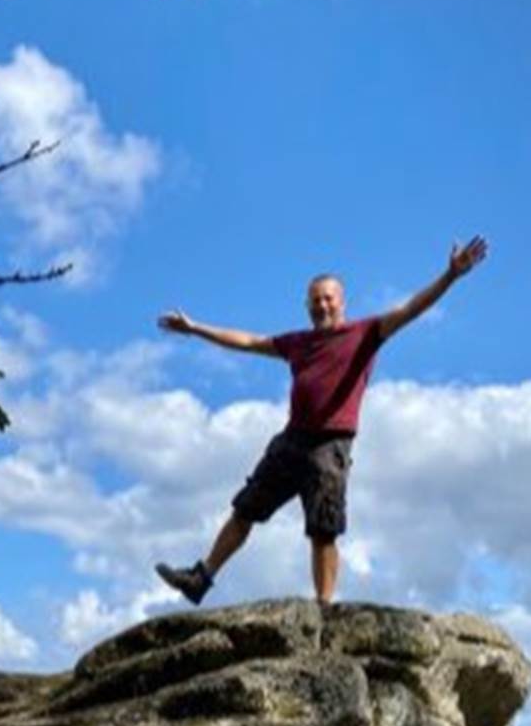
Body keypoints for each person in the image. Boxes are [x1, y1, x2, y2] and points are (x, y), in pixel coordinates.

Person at [154, 237, 488, 606]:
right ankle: (201, 578)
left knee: (323, 530)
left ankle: (324, 611)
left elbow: (411, 308)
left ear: (342, 302)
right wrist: (196, 328)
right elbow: (248, 341)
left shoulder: (365, 333)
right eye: (315, 299)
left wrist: (450, 276)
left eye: (329, 298)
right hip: (291, 440)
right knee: (245, 508)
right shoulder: (297, 343)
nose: (322, 304)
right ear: (307, 306)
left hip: (331, 445)